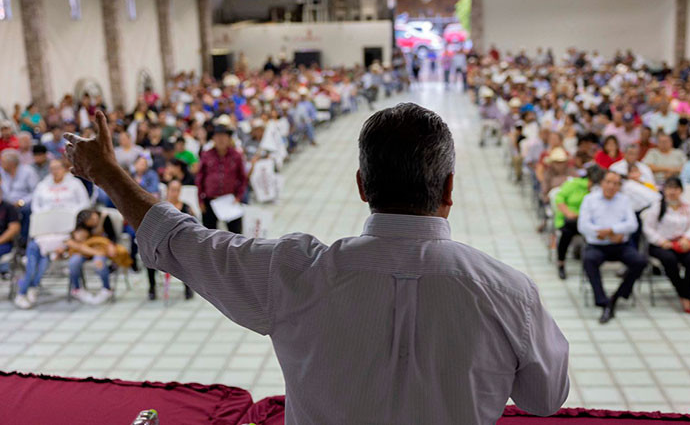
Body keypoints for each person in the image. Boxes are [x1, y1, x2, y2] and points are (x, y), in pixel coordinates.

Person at [65, 107, 570, 423]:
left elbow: (178, 241)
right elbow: (544, 399)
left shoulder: (293, 273)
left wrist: (106, 173)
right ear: (449, 189)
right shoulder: (508, 293)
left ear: (361, 186)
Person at [16, 159, 91, 308]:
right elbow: (36, 207)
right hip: (45, 230)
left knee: (43, 259)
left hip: (65, 232)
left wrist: (68, 216)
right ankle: (28, 289)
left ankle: (29, 289)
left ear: (64, 169)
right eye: (52, 168)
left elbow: (84, 206)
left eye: (57, 168)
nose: (54, 171)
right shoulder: (43, 185)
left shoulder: (75, 185)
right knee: (33, 253)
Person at [578, 171, 647, 324]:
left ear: (619, 186)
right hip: (597, 244)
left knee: (640, 261)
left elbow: (632, 224)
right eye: (608, 182)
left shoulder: (624, 200)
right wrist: (605, 233)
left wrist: (613, 230)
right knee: (589, 259)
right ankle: (602, 300)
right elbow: (583, 225)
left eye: (616, 183)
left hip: (620, 245)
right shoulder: (590, 200)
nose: (611, 186)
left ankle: (618, 295)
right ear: (602, 183)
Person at [642, 177, 690, 313]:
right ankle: (683, 293)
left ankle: (687, 294)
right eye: (669, 188)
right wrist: (661, 241)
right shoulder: (658, 206)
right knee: (669, 260)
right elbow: (648, 228)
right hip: (662, 244)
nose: (672, 192)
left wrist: (686, 238)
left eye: (675, 188)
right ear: (664, 190)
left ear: (681, 190)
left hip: (682, 243)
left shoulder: (687, 207)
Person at [554, 165, 604, 280]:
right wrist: (568, 212)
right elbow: (559, 198)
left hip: (589, 221)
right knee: (567, 230)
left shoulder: (599, 192)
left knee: (596, 232)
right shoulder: (574, 184)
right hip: (570, 219)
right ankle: (561, 262)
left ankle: (591, 264)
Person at [196, 126, 247, 233]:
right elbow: (200, 178)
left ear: (229, 138)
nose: (221, 139)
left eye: (224, 136)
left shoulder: (236, 156)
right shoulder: (206, 155)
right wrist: (200, 200)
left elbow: (243, 178)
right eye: (218, 136)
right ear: (213, 139)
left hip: (230, 199)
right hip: (210, 200)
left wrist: (238, 196)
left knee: (236, 235)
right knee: (208, 235)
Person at [1, 149, 39, 243]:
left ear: (11, 163)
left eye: (2, 162)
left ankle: (23, 240)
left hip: (23, 203)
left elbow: (36, 192)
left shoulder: (28, 171)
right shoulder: (2, 172)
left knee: (27, 210)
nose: (1, 164)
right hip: (5, 203)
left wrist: (21, 202)